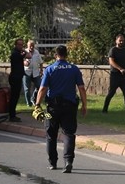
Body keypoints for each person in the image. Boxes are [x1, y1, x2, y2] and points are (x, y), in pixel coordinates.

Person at [34, 44, 88, 173]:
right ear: (66, 55)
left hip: (51, 108)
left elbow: (42, 88)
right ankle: (68, 161)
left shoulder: (50, 69)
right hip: (70, 107)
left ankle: (53, 163)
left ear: (55, 55)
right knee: (69, 133)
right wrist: (85, 105)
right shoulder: (74, 69)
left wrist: (37, 105)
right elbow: (81, 88)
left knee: (50, 135)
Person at [102, 33, 125, 113]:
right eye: (120, 40)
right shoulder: (113, 50)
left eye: (123, 41)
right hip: (115, 75)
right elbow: (111, 61)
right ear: (116, 41)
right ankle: (105, 109)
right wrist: (120, 69)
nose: (121, 42)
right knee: (111, 93)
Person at [6, 38, 27, 121]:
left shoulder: (17, 53)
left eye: (22, 45)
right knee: (14, 97)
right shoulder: (15, 54)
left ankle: (12, 114)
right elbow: (29, 55)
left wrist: (23, 50)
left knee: (15, 96)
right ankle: (12, 115)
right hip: (15, 77)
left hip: (17, 77)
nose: (21, 46)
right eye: (19, 45)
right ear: (16, 45)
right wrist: (24, 50)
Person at [22, 39, 43, 106]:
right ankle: (29, 103)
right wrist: (24, 62)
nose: (31, 47)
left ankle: (33, 98)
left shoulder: (37, 52)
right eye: (30, 46)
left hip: (36, 72)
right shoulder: (24, 52)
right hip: (26, 72)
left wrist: (41, 70)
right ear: (27, 46)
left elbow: (41, 62)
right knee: (27, 89)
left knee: (39, 87)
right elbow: (20, 61)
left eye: (33, 46)